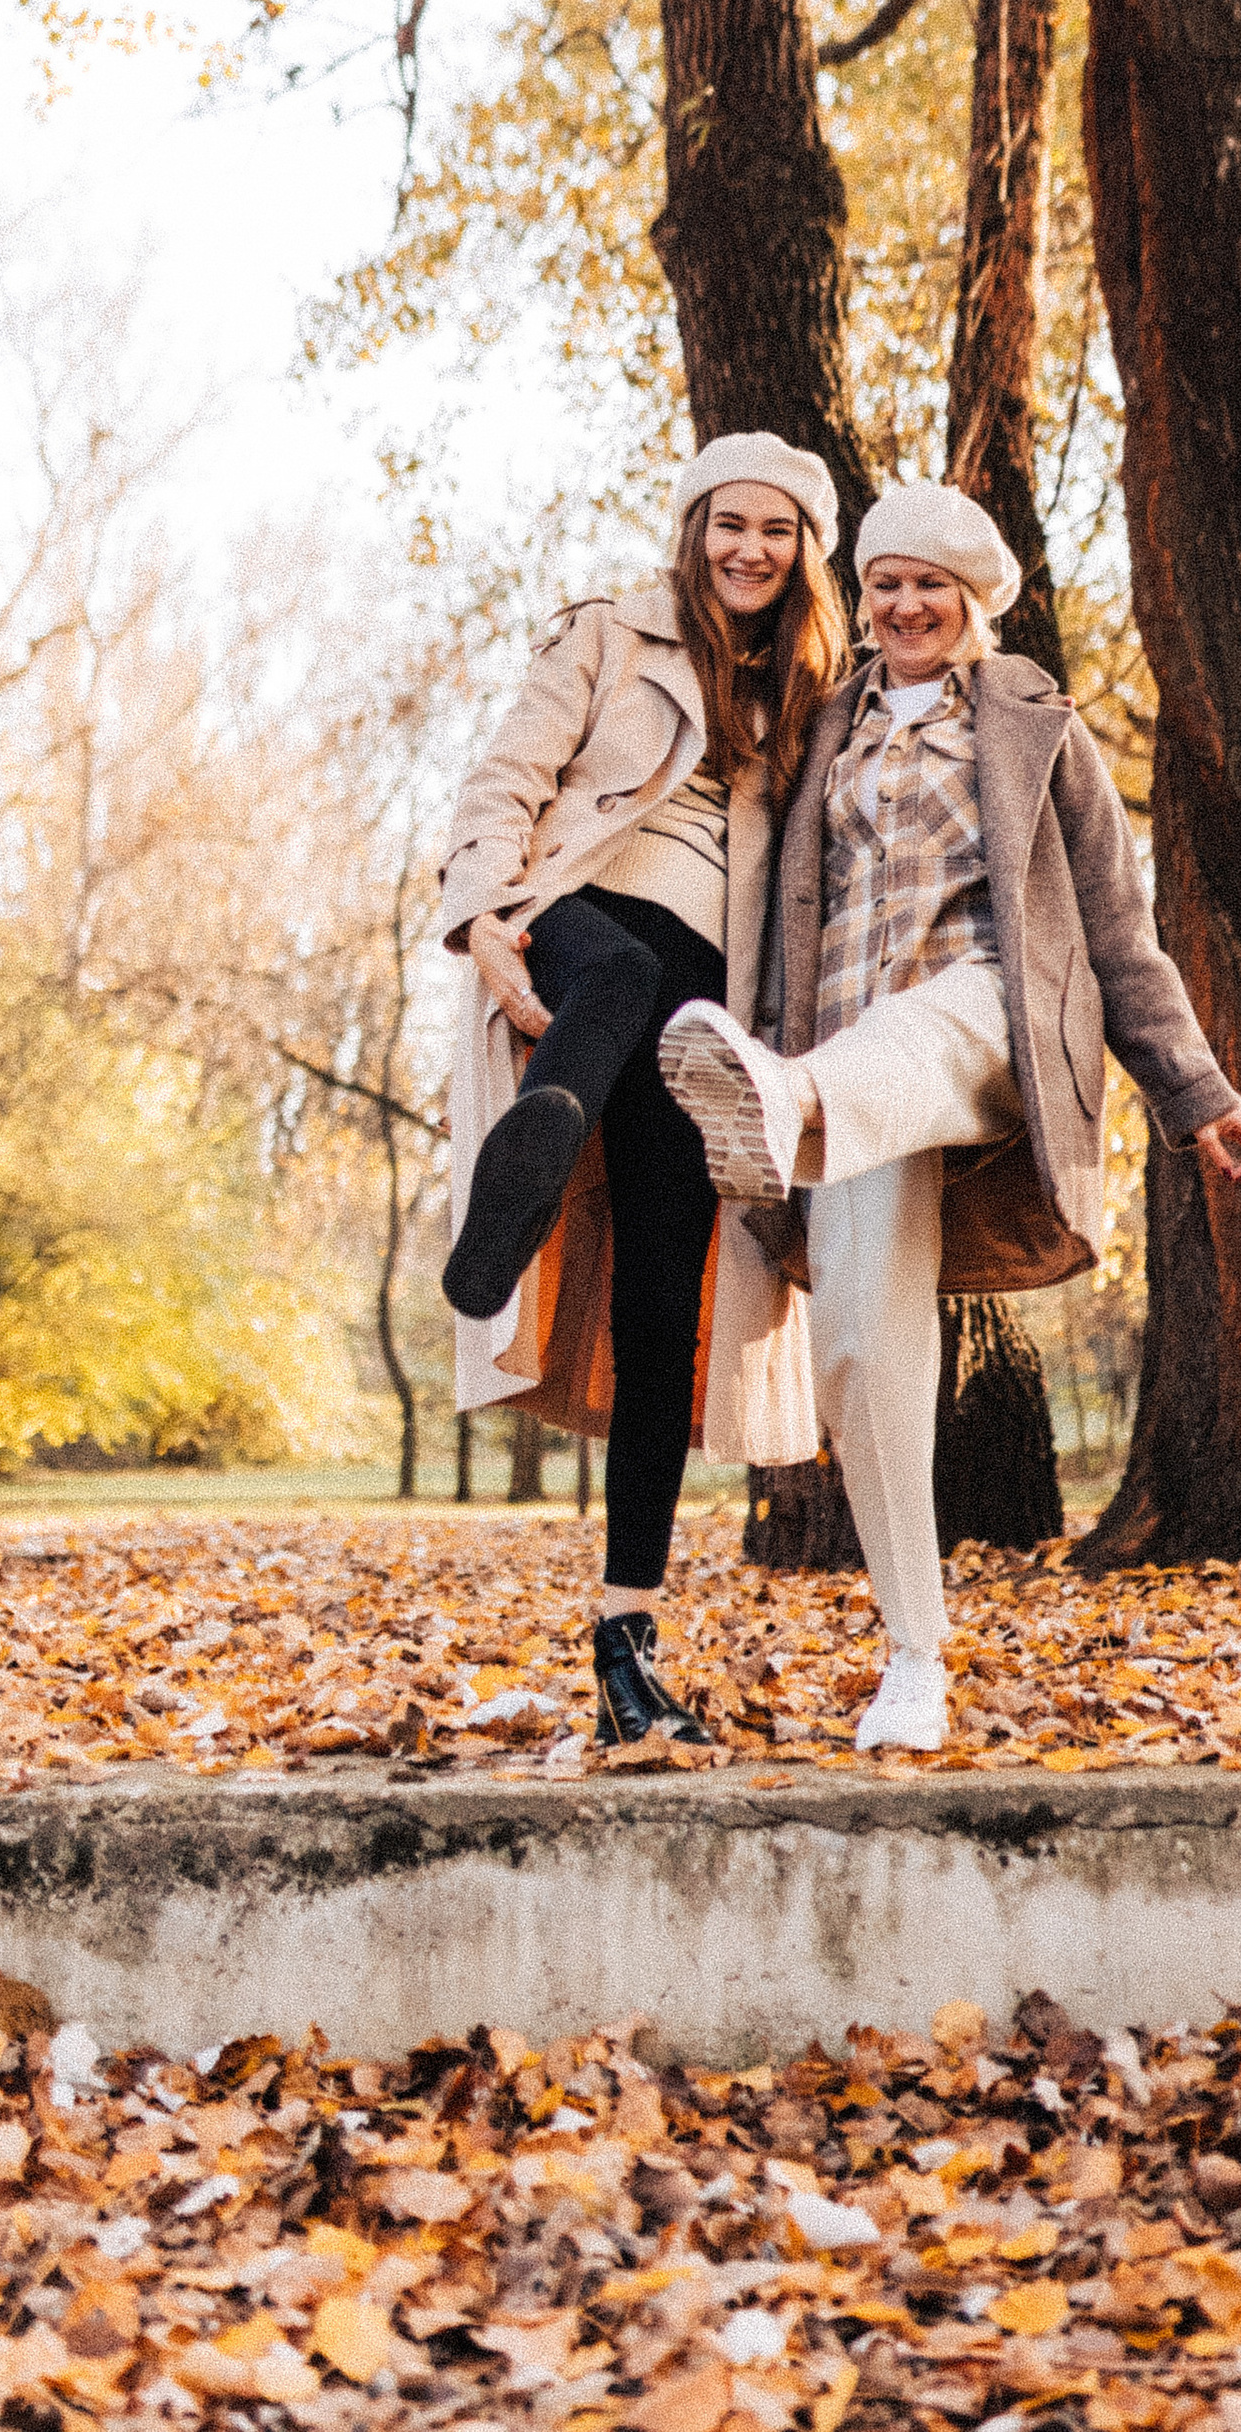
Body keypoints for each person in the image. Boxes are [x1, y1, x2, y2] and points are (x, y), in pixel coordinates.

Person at [661, 480, 1241, 1753]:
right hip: (846, 1068)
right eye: (885, 583)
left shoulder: (1037, 729)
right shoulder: (818, 730)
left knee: (929, 1022)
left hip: (990, 1018)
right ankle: (914, 1655)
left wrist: (1196, 1090)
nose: (904, 605)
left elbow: (1116, 930)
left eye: (929, 586)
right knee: (858, 1349)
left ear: (973, 601)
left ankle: (779, 1100)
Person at [437, 434, 848, 1746]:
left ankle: (627, 1644)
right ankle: (530, 1168)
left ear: (805, 553)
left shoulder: (817, 695)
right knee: (612, 969)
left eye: (776, 531)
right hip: (572, 920)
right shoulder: (608, 634)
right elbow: (506, 777)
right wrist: (482, 915)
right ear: (693, 529)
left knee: (666, 1300)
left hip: (704, 1001)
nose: (749, 548)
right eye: (729, 523)